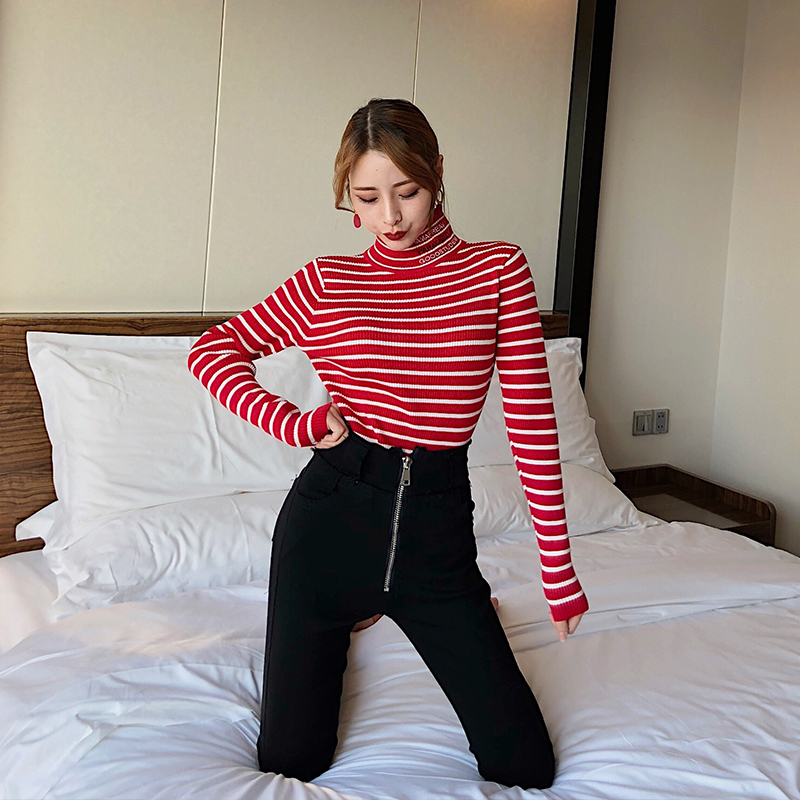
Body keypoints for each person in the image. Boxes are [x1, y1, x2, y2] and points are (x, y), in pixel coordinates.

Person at [187, 97, 588, 790]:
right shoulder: (327, 282)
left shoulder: (497, 272)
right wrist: (295, 423)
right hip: (326, 531)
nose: (391, 217)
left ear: (438, 173)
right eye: (368, 198)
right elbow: (212, 351)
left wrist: (558, 569)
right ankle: (353, 615)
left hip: (437, 541)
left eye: (407, 192)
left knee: (524, 766)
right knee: (293, 762)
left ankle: (394, 610)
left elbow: (531, 424)